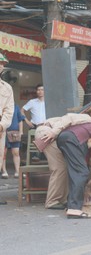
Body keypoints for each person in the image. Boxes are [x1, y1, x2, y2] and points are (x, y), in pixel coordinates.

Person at [35, 113, 91, 210]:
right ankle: (52, 201)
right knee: (59, 168)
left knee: (66, 166)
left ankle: (62, 200)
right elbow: (69, 118)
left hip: (50, 132)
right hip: (48, 132)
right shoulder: (88, 119)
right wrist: (53, 132)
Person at [0, 52, 14, 205]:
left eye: (2, 64)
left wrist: (2, 125)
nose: (1, 66)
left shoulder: (6, 88)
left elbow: (9, 110)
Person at [22, 83, 46, 162]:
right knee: (34, 145)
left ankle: (44, 159)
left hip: (46, 126)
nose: (40, 91)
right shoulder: (32, 102)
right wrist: (27, 121)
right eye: (38, 90)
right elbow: (21, 111)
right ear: (36, 91)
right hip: (34, 126)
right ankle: (34, 159)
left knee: (46, 144)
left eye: (42, 90)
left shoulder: (49, 102)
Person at [2, 104, 25, 179]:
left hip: (14, 133)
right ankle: (4, 171)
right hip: (2, 132)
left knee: (16, 152)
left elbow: (20, 120)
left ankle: (17, 171)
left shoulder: (15, 107)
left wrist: (21, 131)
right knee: (3, 153)